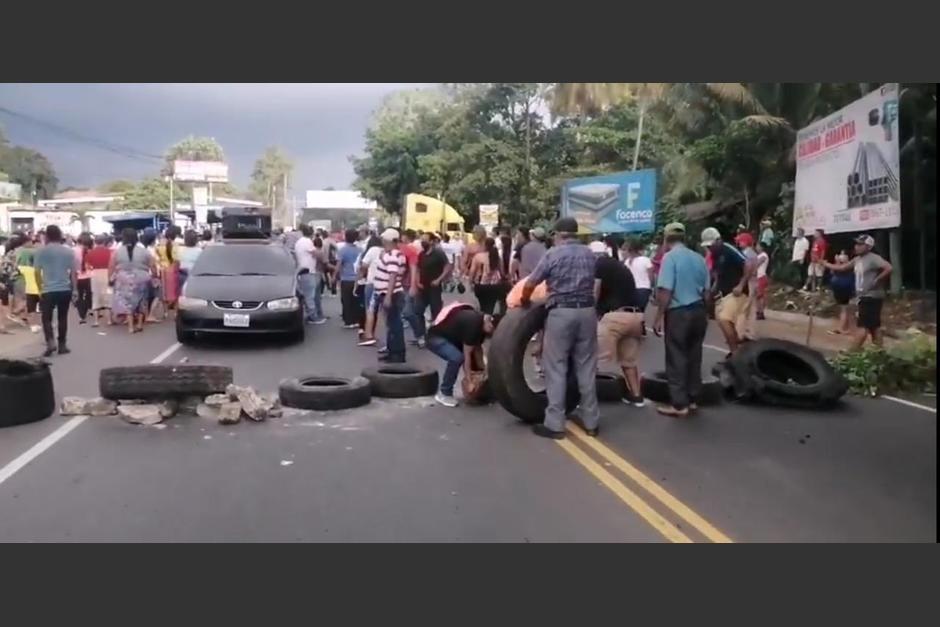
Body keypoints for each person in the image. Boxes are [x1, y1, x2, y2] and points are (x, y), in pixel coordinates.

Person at [520, 217, 600, 440]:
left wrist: (525, 301)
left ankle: (555, 424)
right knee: (586, 367)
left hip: (561, 312)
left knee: (556, 367)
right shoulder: (589, 254)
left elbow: (530, 283)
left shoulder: (553, 254)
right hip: (587, 311)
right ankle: (591, 422)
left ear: (558, 235)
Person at [651, 223, 710, 417]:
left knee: (676, 357)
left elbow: (665, 290)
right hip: (699, 311)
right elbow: (708, 292)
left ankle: (679, 404)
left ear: (667, 240)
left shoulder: (670, 258)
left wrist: (659, 316)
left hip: (679, 313)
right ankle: (693, 399)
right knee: (694, 355)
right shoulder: (699, 258)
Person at [595, 239, 645, 406]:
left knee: (592, 357)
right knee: (629, 361)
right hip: (635, 316)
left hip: (615, 317)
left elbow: (595, 291)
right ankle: (636, 396)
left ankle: (583, 397)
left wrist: (592, 311)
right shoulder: (620, 266)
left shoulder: (599, 265)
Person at [824, 234, 892, 350]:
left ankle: (852, 353)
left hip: (871, 296)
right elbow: (842, 268)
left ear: (869, 247)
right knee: (874, 327)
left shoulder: (873, 258)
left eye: (860, 244)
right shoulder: (857, 259)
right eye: (857, 244)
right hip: (864, 296)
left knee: (863, 327)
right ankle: (879, 352)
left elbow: (888, 267)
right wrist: (824, 263)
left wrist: (877, 280)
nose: (857, 246)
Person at [426, 302, 498, 407]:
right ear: (489, 323)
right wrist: (470, 380)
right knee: (457, 358)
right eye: (492, 330)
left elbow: (478, 351)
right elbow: (467, 356)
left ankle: (480, 392)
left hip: (452, 338)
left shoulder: (482, 323)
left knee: (474, 365)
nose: (492, 334)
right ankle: (444, 393)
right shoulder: (473, 325)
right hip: (435, 338)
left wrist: (484, 372)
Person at [701, 227, 754, 356]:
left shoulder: (728, 249)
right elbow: (718, 274)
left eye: (710, 245)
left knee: (724, 319)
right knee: (721, 319)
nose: (709, 248)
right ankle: (736, 349)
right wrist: (712, 291)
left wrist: (741, 285)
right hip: (724, 293)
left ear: (718, 241)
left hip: (737, 292)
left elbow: (748, 264)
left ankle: (735, 351)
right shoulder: (715, 254)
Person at [32, 225, 77, 356]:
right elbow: (73, 273)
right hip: (64, 288)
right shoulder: (68, 251)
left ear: (47, 236)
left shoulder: (41, 251)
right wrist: (75, 290)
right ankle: (62, 345)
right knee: (63, 317)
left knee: (46, 318)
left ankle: (50, 341)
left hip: (47, 289)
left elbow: (36, 272)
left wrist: (40, 288)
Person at [110, 228, 155, 335]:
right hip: (142, 278)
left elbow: (111, 266)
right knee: (142, 301)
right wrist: (154, 276)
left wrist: (110, 279)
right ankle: (139, 324)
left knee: (127, 302)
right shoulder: (144, 251)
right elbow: (152, 265)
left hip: (123, 278)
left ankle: (130, 326)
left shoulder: (117, 251)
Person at [410, 231, 452, 346]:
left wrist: (439, 279)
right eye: (422, 239)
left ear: (432, 241)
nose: (423, 242)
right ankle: (421, 335)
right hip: (423, 287)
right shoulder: (421, 254)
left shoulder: (438, 253)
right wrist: (417, 282)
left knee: (436, 312)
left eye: (425, 240)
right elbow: (418, 269)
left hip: (434, 287)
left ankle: (436, 335)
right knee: (417, 311)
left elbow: (447, 266)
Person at [373, 228, 407, 363]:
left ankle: (397, 353)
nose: (383, 241)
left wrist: (387, 296)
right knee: (392, 324)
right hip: (391, 292)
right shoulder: (396, 254)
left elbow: (393, 275)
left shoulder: (393, 255)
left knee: (394, 325)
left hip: (391, 294)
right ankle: (392, 351)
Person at [295, 225, 326, 325]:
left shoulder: (300, 242)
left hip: (304, 271)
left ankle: (313, 315)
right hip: (308, 272)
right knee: (310, 296)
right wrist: (321, 254)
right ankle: (313, 317)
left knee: (309, 295)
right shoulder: (306, 242)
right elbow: (316, 254)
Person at [335, 229, 365, 331]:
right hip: (357, 279)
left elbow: (339, 265)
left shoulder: (342, 250)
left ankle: (348, 321)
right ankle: (356, 320)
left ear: (346, 237)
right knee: (356, 301)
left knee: (346, 300)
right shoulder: (360, 250)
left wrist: (334, 276)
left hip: (346, 279)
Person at [357, 234, 384, 346]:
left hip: (372, 282)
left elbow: (363, 265)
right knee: (378, 310)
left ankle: (368, 335)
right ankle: (371, 332)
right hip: (383, 283)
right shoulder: (387, 251)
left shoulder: (372, 250)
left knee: (370, 309)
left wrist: (361, 276)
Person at [624, 238, 654, 332]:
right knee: (640, 311)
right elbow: (651, 276)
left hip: (630, 289)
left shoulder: (627, 262)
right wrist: (652, 288)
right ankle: (640, 328)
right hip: (644, 289)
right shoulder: (646, 260)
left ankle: (636, 329)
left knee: (632, 311)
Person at [470, 237, 505, 316]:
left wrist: (470, 282)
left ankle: (483, 320)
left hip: (480, 285)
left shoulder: (478, 256)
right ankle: (488, 319)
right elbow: (502, 272)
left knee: (482, 306)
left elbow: (472, 271)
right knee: (490, 307)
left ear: (485, 245)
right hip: (494, 285)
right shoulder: (497, 257)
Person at [735, 232, 759, 341]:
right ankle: (750, 332)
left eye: (740, 241)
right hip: (754, 281)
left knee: (742, 308)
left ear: (745, 242)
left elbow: (748, 269)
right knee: (751, 309)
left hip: (748, 282)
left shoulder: (746, 254)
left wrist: (742, 283)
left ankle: (740, 333)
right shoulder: (753, 253)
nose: (738, 243)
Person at [85, 234, 113, 327]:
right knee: (108, 295)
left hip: (95, 274)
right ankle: (109, 320)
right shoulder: (110, 252)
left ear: (95, 242)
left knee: (96, 296)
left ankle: (96, 321)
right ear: (104, 241)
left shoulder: (90, 253)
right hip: (107, 273)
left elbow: (87, 266)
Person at [0, 234, 24, 335]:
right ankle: (5, 322)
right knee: (3, 304)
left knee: (3, 304)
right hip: (6, 280)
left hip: (6, 280)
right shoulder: (12, 254)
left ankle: (3, 325)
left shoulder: (8, 254)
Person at [827, 249, 855, 336]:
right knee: (846, 309)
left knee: (845, 309)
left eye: (843, 254)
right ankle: (847, 328)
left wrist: (837, 262)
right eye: (840, 254)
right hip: (841, 287)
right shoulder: (841, 265)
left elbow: (840, 269)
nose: (841, 255)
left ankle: (842, 328)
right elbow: (833, 271)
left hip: (845, 288)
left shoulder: (848, 265)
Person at [156, 226, 181, 317]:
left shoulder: (160, 245)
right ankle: (175, 313)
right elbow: (177, 259)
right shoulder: (176, 245)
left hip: (163, 270)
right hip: (173, 270)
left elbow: (157, 257)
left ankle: (165, 312)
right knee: (176, 292)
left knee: (164, 293)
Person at [73, 232, 94, 325]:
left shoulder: (73, 250)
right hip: (89, 276)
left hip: (78, 276)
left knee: (80, 296)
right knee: (89, 294)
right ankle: (89, 309)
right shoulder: (91, 251)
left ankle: (82, 316)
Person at [754, 240, 770, 322]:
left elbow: (757, 264)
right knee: (758, 296)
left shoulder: (763, 255)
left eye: (758, 246)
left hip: (761, 276)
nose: (756, 247)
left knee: (759, 296)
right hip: (759, 276)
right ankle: (759, 311)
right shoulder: (759, 255)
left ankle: (761, 312)